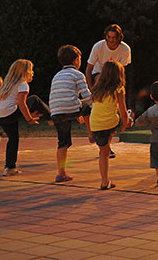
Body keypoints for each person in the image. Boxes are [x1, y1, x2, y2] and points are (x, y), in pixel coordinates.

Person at [0, 59, 50, 177]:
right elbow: (22, 103)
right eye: (31, 70)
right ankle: (52, 117)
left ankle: (10, 167)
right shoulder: (22, 83)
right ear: (25, 72)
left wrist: (28, 115)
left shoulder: (7, 84)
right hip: (10, 113)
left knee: (13, 139)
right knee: (34, 99)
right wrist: (29, 119)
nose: (33, 73)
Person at [48, 45, 93, 184]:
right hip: (71, 108)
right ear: (76, 60)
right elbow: (86, 96)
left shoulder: (56, 75)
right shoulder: (78, 74)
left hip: (56, 111)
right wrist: (95, 106)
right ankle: (92, 134)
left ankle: (61, 174)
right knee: (89, 106)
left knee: (63, 142)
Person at [85, 24, 131, 158]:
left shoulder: (125, 49)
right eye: (109, 37)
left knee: (117, 101)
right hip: (99, 77)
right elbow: (89, 70)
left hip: (115, 78)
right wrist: (91, 90)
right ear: (105, 37)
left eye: (114, 38)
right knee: (99, 77)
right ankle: (98, 138)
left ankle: (107, 146)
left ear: (119, 38)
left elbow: (122, 72)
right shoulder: (98, 47)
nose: (111, 41)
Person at [89, 60, 130, 190]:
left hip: (95, 124)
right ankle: (105, 182)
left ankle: (105, 181)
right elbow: (123, 111)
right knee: (125, 116)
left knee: (103, 152)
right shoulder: (119, 89)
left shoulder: (96, 88)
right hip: (110, 123)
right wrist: (126, 124)